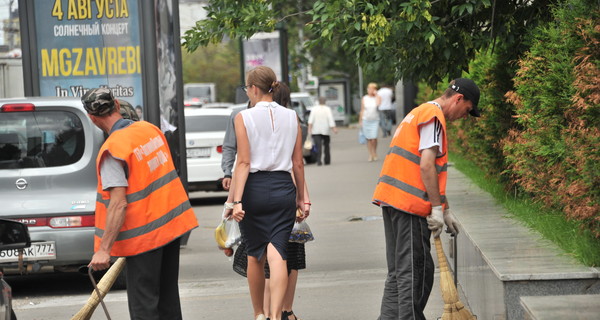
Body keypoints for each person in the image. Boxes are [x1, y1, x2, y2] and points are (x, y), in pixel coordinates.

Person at [84, 88, 198, 320]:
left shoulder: (113, 150)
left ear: (92, 118)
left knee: (144, 306)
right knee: (167, 300)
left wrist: (104, 249)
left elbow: (118, 204)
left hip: (144, 238)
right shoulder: (150, 130)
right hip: (172, 228)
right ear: (117, 105)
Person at [372, 78, 481, 319]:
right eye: (467, 110)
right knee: (415, 274)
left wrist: (445, 208)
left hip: (392, 201)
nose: (465, 116)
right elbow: (426, 166)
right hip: (409, 206)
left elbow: (429, 172)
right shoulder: (434, 117)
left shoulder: (419, 112)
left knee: (399, 274)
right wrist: (436, 209)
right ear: (458, 99)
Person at [227, 82, 311, 320]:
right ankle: (277, 315)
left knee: (255, 255)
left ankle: (259, 314)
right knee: (279, 254)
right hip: (283, 187)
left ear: (254, 88)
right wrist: (301, 197)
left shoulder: (243, 117)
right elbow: (298, 163)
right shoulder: (292, 116)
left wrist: (235, 201)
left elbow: (242, 163)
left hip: (254, 189)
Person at [308, 97, 338, 166]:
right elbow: (330, 119)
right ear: (325, 102)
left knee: (318, 146)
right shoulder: (327, 109)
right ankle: (327, 160)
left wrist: (309, 129)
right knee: (326, 146)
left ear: (318, 101)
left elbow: (310, 120)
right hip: (325, 131)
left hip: (316, 131)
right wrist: (334, 129)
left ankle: (319, 161)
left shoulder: (314, 109)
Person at [359, 82, 381, 161]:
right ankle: (370, 154)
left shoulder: (377, 97)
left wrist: (376, 94)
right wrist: (360, 120)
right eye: (369, 88)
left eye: (371, 89)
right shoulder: (364, 98)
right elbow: (362, 110)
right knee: (368, 138)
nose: (369, 90)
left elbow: (378, 104)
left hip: (374, 120)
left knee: (374, 138)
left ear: (375, 90)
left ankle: (375, 152)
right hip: (366, 120)